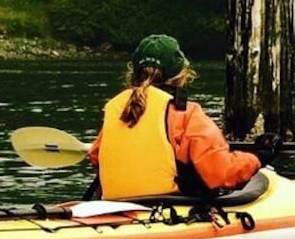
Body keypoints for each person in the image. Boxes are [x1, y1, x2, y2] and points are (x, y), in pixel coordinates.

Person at [88, 34, 261, 200]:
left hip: (116, 209)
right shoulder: (186, 114)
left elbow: (96, 156)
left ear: (133, 74)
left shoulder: (117, 109)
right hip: (168, 209)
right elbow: (220, 172)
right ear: (182, 75)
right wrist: (256, 158)